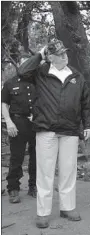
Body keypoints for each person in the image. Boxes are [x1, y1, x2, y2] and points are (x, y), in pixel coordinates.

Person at [18, 39, 90, 228]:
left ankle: (67, 207)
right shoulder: (41, 72)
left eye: (64, 52)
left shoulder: (76, 75)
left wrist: (88, 125)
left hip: (70, 130)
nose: (64, 56)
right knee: (45, 172)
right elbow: (22, 71)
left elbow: (85, 102)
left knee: (68, 171)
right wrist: (40, 55)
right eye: (59, 54)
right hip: (46, 129)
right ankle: (43, 212)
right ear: (50, 57)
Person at [1, 54, 37, 203]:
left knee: (36, 156)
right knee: (17, 157)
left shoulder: (38, 81)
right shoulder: (10, 83)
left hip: (36, 123)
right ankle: (13, 188)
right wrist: (9, 122)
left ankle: (33, 186)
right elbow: (3, 104)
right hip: (17, 122)